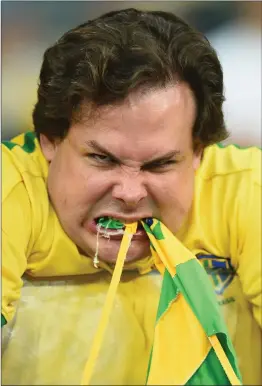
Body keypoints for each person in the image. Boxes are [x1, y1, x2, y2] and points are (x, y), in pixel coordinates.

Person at [1, 8, 261, 385]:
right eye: (102, 159)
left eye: (159, 165)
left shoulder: (245, 192)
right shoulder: (11, 191)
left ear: (199, 153)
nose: (129, 193)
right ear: (49, 140)